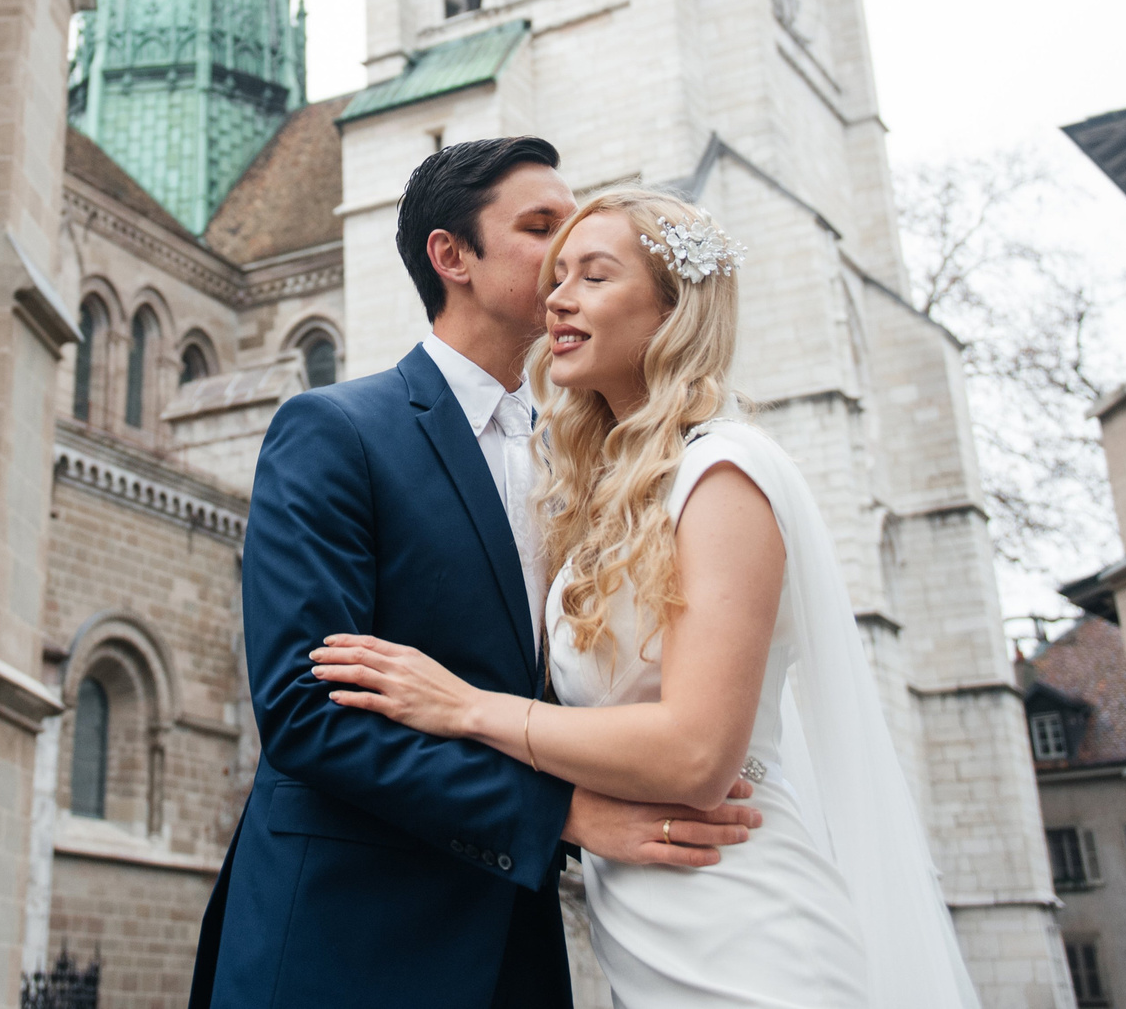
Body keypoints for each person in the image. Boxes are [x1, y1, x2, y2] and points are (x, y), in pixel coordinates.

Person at [307, 188, 983, 1008]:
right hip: (648, 926)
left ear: (674, 309)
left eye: (594, 276)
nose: (557, 296)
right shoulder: (607, 498)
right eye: (558, 275)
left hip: (744, 923)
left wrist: (464, 707)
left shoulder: (723, 473)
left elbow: (697, 754)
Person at [190, 144, 766, 1009]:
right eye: (539, 227)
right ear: (451, 257)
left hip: (518, 943)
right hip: (347, 938)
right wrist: (562, 814)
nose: (565, 245)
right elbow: (307, 714)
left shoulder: (596, 461)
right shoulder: (334, 430)